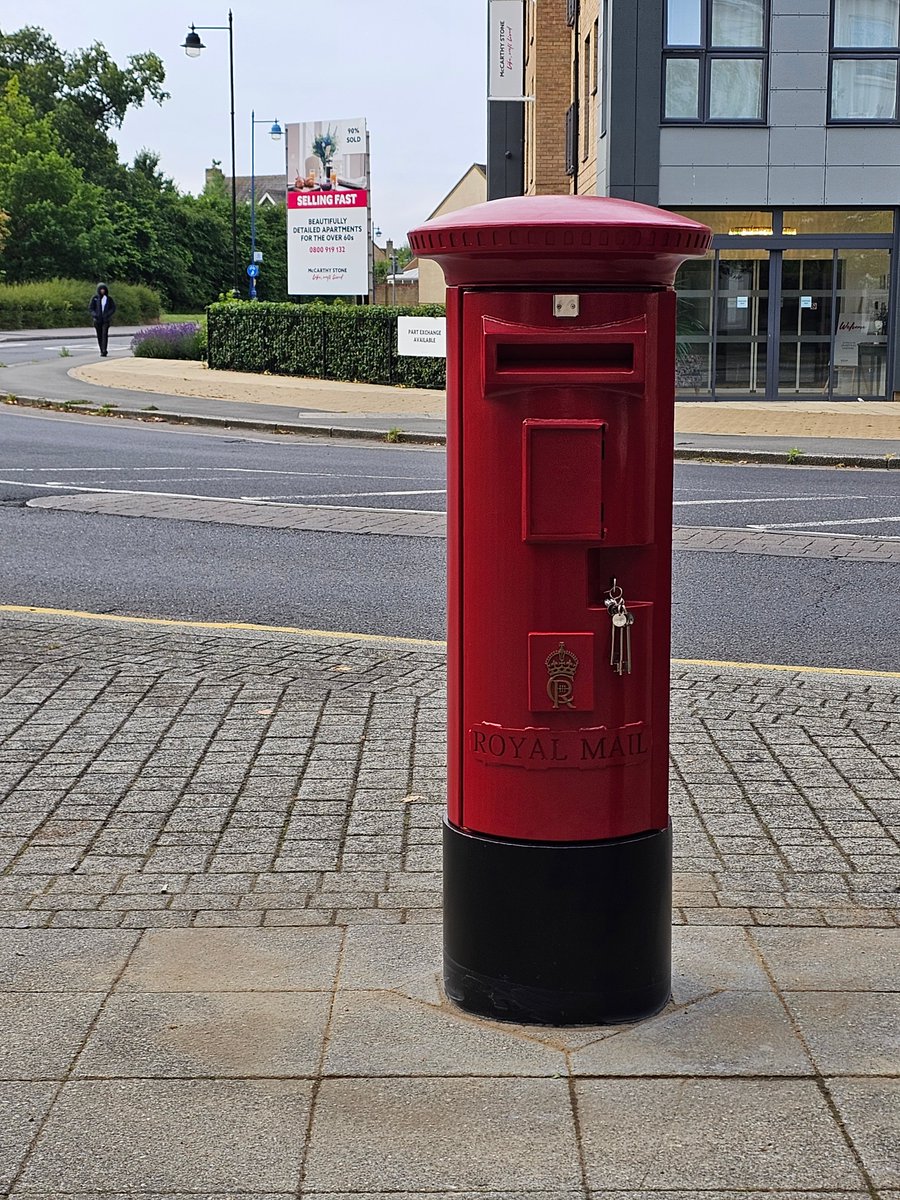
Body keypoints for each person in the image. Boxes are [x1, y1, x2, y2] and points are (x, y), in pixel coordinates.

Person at [89, 283, 116, 356]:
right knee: (99, 335)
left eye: (103, 289)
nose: (102, 291)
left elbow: (113, 308)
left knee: (104, 334)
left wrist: (108, 314)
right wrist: (95, 315)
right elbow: (91, 308)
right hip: (97, 320)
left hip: (105, 320)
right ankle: (101, 349)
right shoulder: (95, 298)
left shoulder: (109, 299)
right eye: (101, 289)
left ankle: (104, 350)